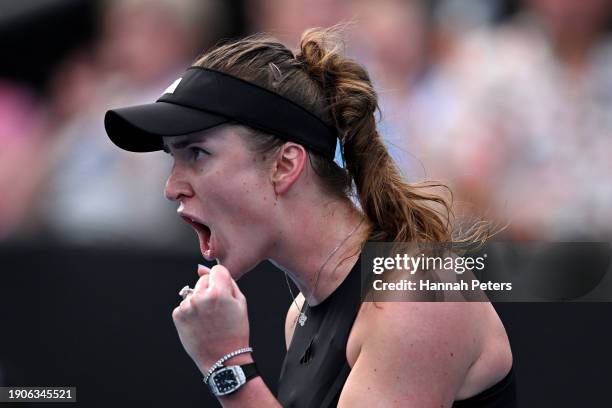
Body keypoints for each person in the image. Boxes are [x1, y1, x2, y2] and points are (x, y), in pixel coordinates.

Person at [104, 27, 515, 407]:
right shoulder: (301, 312)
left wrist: (226, 365)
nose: (172, 187)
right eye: (172, 157)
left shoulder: (414, 296)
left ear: (285, 165)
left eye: (197, 153)